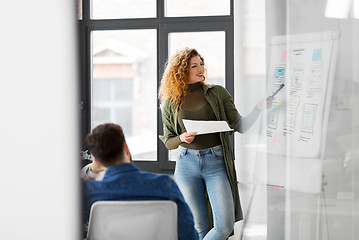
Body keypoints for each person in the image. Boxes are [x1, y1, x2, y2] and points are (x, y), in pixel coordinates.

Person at [158, 48, 273, 240]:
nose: (201, 68)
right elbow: (169, 142)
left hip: (215, 162)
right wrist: (182, 138)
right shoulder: (170, 102)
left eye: (202, 64)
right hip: (186, 164)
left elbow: (240, 125)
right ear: (182, 70)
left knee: (224, 226)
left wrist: (258, 109)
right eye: (194, 65)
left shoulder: (217, 93)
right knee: (200, 226)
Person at [82, 123, 199, 240]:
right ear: (126, 148)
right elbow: (189, 235)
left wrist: (92, 172)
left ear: (96, 160)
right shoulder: (165, 185)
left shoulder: (89, 192)